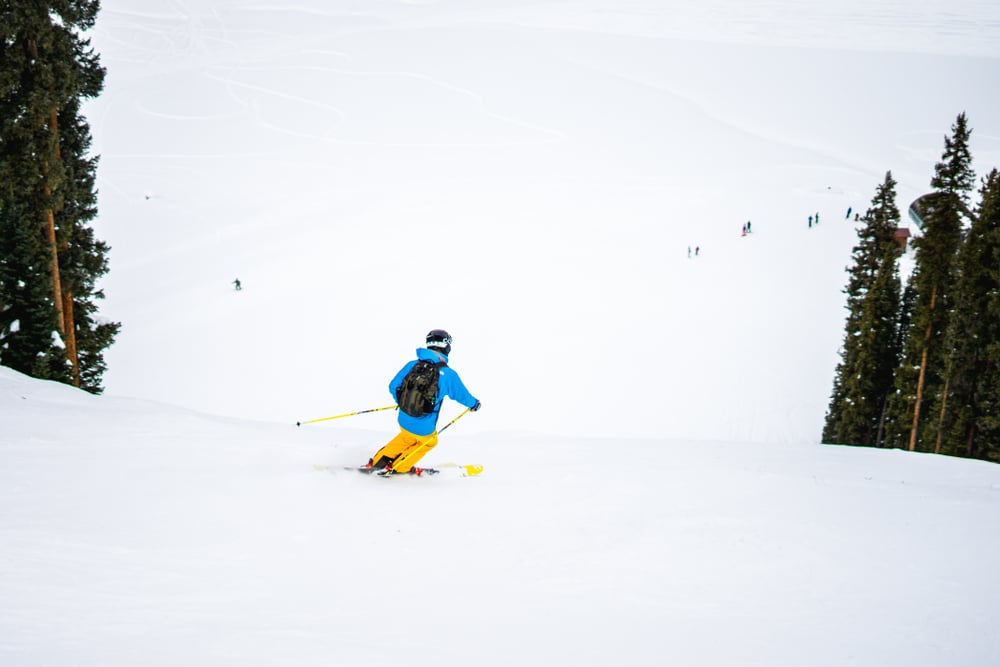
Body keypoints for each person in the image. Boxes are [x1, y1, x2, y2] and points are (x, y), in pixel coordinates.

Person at [367, 329, 480, 475]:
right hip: (424, 424)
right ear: (446, 347)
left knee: (407, 437)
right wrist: (474, 404)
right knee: (429, 442)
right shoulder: (448, 374)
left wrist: (405, 401)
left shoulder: (412, 365)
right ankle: (401, 467)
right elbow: (462, 395)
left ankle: (378, 461)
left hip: (404, 417)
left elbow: (393, 386)